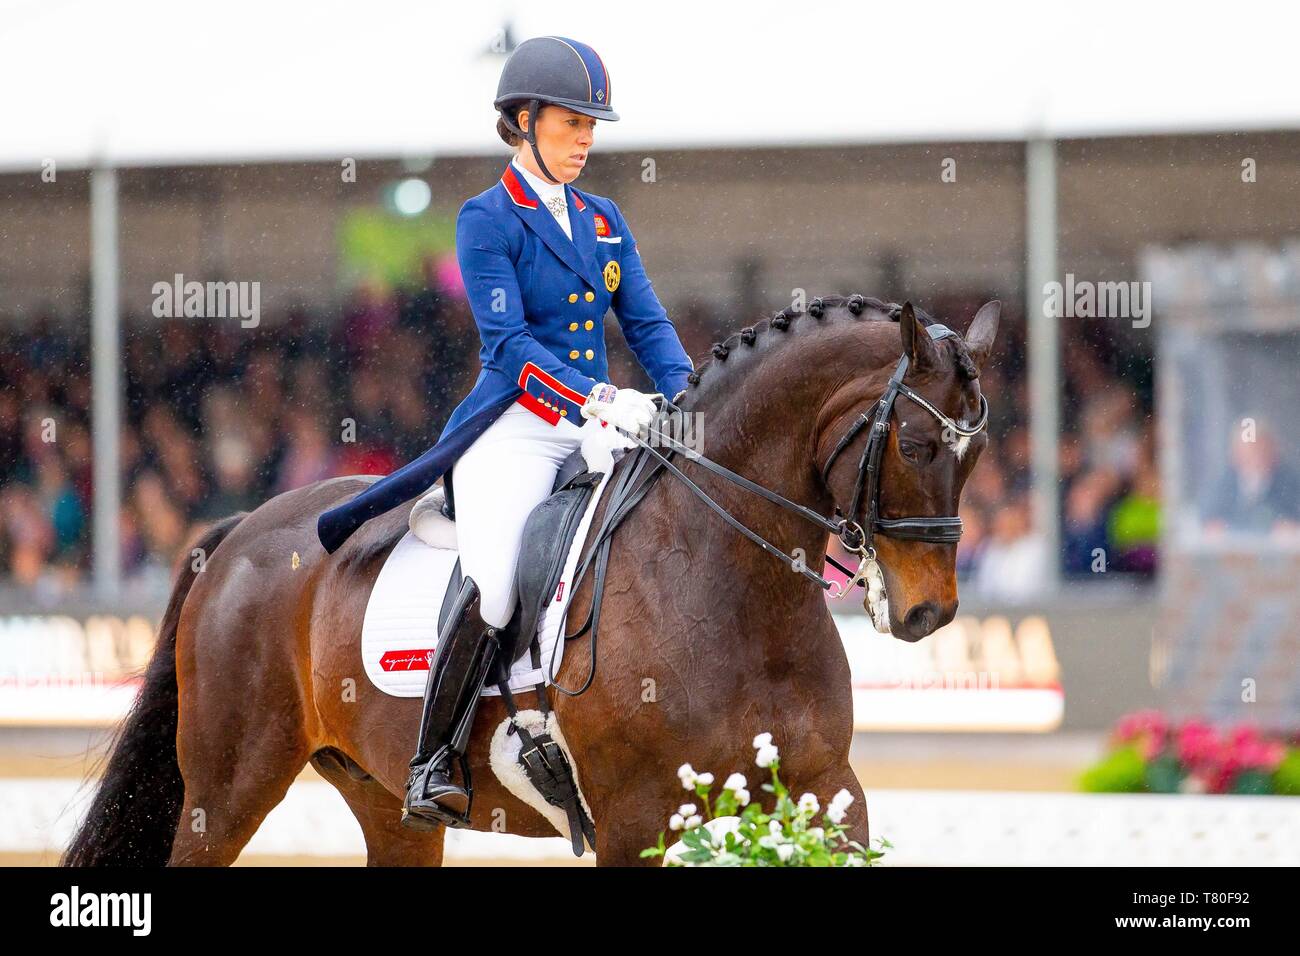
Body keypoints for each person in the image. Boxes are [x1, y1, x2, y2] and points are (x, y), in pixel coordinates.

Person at [395, 36, 694, 830]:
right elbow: (511, 349)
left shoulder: (604, 219)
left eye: (592, 125)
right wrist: (598, 397)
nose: (586, 138)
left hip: (602, 422)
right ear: (523, 121)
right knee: (495, 583)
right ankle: (436, 757)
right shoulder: (486, 219)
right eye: (571, 122)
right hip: (520, 426)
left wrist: (695, 403)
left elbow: (649, 324)